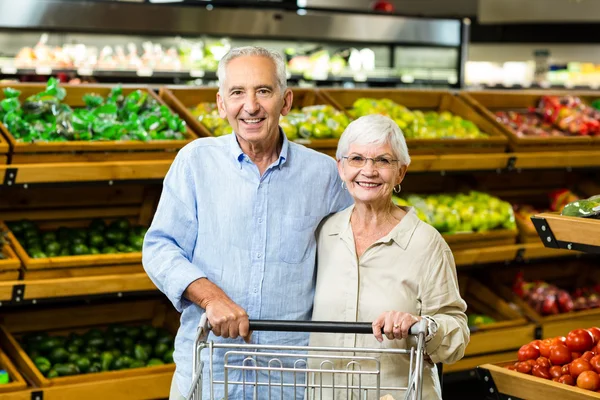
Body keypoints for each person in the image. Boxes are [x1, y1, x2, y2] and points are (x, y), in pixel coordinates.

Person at [142, 46, 353, 400]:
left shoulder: (324, 174)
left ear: (285, 102)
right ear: (221, 103)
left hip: (290, 376)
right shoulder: (195, 162)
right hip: (209, 368)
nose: (250, 106)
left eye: (264, 91)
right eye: (237, 92)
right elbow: (161, 247)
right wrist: (211, 298)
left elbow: (355, 258)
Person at [309, 114, 469, 400]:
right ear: (341, 167)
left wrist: (422, 325)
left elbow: (457, 335)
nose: (368, 171)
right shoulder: (325, 233)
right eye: (357, 159)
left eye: (383, 160)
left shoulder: (426, 243)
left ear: (401, 173)